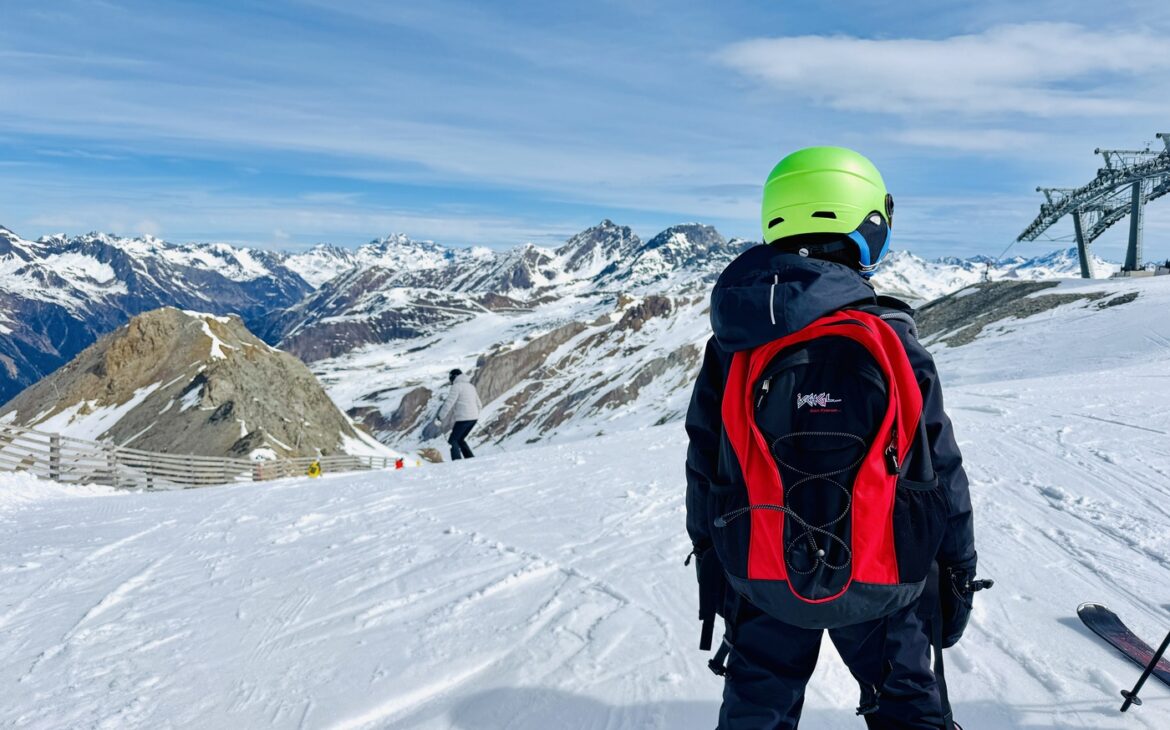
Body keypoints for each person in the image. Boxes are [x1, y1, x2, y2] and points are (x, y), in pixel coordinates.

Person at [685, 146, 979, 730]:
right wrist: (957, 572)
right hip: (886, 573)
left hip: (762, 570)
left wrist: (716, 568)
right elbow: (940, 470)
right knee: (909, 710)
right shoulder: (891, 336)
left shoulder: (736, 342)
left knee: (755, 711)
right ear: (869, 223)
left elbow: (706, 466)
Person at [434, 368, 481, 460]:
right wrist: (474, 414)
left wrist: (440, 417)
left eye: (450, 378)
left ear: (453, 377)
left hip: (464, 419)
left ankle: (457, 463)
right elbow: (479, 404)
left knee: (452, 441)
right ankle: (471, 459)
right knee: (460, 439)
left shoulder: (456, 387)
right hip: (474, 418)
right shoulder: (471, 386)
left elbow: (449, 403)